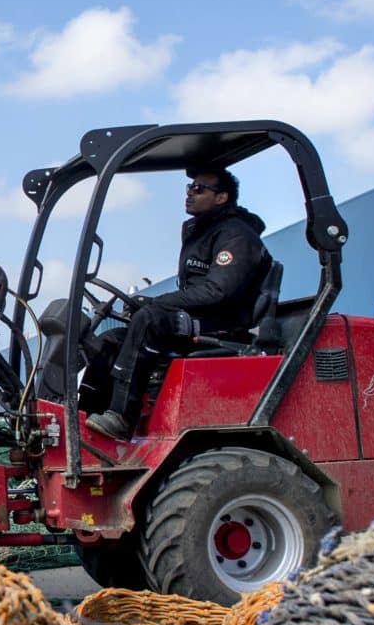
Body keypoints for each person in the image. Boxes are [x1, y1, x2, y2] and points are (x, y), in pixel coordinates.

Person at [84, 166, 268, 440]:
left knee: (150, 320)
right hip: (199, 319)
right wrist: (150, 302)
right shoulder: (201, 232)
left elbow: (218, 290)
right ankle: (84, 415)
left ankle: (122, 417)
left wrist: (159, 302)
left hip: (224, 325)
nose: (190, 193)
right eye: (189, 187)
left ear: (221, 198)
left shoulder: (237, 236)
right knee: (112, 339)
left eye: (199, 188)